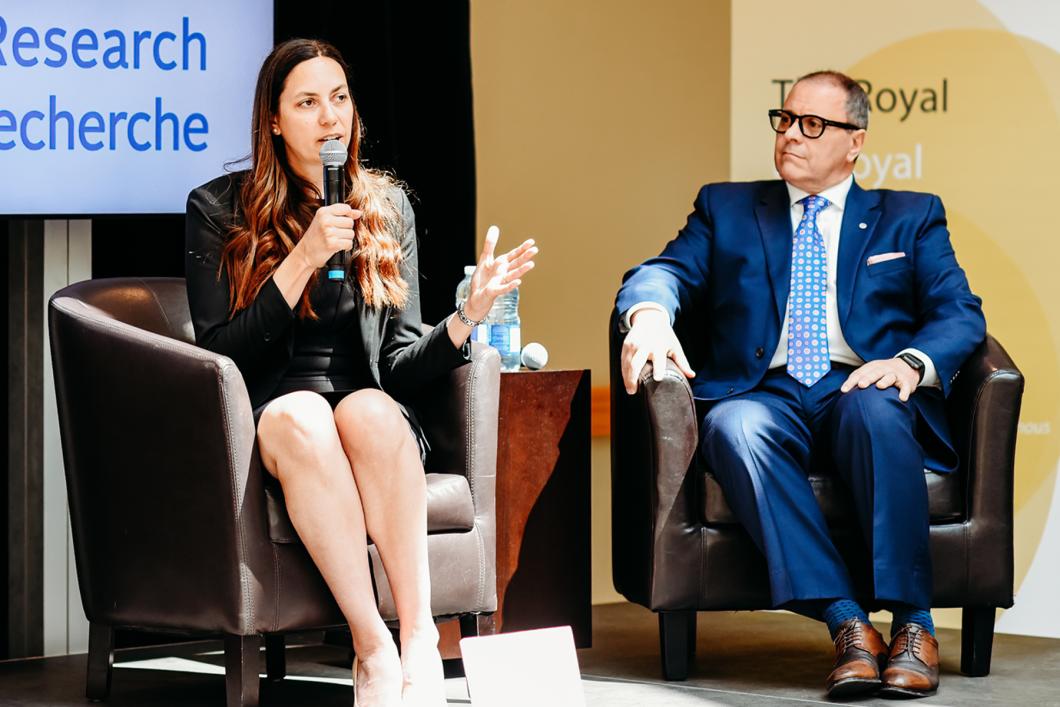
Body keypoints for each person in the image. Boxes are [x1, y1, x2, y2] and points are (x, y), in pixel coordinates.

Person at [185, 39, 536, 707]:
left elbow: (401, 364)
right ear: (274, 120)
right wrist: (303, 257)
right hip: (276, 419)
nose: (330, 118)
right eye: (308, 102)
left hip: (368, 412)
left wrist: (467, 316)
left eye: (340, 99)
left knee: (366, 408)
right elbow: (224, 354)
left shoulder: (386, 206)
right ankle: (371, 642)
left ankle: (418, 639)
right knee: (304, 412)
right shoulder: (218, 210)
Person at [616, 70, 984, 699]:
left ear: (855, 141)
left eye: (812, 125)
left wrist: (910, 363)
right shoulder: (726, 208)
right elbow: (663, 271)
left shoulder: (909, 216)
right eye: (784, 120)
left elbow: (959, 313)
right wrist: (648, 316)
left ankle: (915, 626)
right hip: (768, 391)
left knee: (877, 409)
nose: (791, 135)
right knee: (733, 425)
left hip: (859, 384)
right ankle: (848, 624)